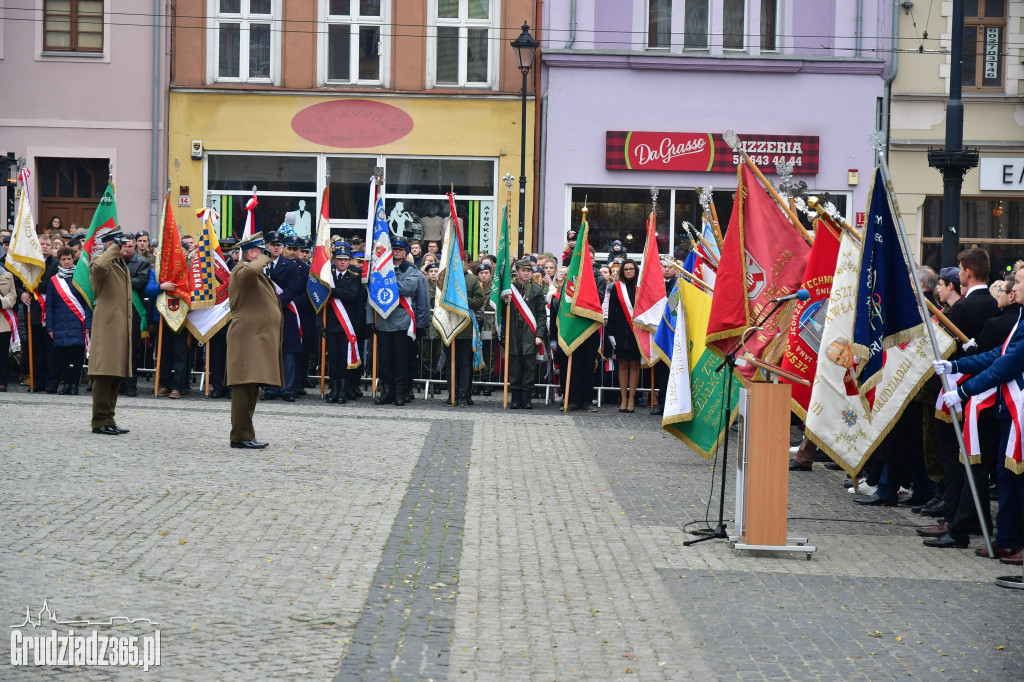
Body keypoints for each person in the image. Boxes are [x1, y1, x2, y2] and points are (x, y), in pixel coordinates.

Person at [934, 262, 1024, 555]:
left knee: (1012, 479)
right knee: (1006, 474)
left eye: (1019, 282)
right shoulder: (1019, 318)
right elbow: (998, 354)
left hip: (1015, 411)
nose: (1013, 286)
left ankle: (1011, 541)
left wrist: (962, 390)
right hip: (1007, 412)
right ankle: (1008, 540)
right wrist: (957, 365)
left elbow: (1003, 367)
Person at [918, 248, 999, 544]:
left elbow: (950, 348)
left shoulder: (964, 308)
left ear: (967, 271)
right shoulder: (993, 304)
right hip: (984, 393)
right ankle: (977, 518)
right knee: (975, 462)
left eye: (961, 269)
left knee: (954, 459)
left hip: (959, 388)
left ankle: (952, 518)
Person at [226, 233, 282, 449]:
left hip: (253, 338)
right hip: (246, 337)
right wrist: (265, 257)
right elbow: (251, 269)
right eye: (261, 250)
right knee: (243, 388)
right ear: (251, 252)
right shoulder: (242, 270)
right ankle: (240, 436)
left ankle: (245, 434)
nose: (266, 255)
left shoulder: (253, 273)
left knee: (251, 388)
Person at [369, 237, 424, 406]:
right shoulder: (379, 270)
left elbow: (409, 288)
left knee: (401, 360)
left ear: (406, 252)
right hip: (384, 321)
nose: (397, 251)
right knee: (385, 361)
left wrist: (385, 284)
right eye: (394, 248)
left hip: (402, 322)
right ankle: (387, 392)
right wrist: (371, 321)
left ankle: (400, 393)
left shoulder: (412, 270)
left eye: (401, 249)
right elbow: (371, 297)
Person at [88, 231, 133, 436]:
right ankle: (99, 421)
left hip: (119, 325)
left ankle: (109, 418)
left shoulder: (120, 265)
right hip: (107, 326)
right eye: (120, 243)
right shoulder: (100, 263)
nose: (125, 246)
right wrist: (113, 248)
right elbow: (98, 267)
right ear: (111, 245)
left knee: (116, 374)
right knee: (104, 374)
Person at [262, 231, 302, 402]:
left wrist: (276, 302)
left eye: (279, 245)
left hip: (285, 312)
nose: (276, 248)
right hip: (264, 314)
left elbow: (294, 288)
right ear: (268, 246)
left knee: (287, 353)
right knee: (269, 351)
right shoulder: (261, 264)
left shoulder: (290, 265)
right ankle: (271, 387)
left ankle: (287, 388)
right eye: (273, 245)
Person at [46, 246, 91, 395]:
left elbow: (87, 303)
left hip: (78, 323)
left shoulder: (80, 279)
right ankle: (66, 385)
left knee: (77, 357)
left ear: (73, 260)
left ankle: (75, 385)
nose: (66, 262)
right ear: (59, 260)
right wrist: (50, 327)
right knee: (63, 358)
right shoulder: (54, 281)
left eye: (69, 259)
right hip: (59, 324)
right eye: (63, 259)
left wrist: (88, 324)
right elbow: (50, 305)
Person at [504, 259, 547, 409]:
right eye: (523, 270)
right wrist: (505, 301)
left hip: (530, 333)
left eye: (529, 271)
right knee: (514, 367)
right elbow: (501, 314)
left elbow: (541, 314)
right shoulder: (508, 290)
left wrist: (540, 335)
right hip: (514, 332)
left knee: (529, 367)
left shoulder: (536, 290)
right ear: (517, 272)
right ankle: (515, 398)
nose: (526, 273)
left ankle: (526, 398)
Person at [321, 245, 360, 403]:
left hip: (347, 325)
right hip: (330, 323)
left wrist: (329, 290)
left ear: (350, 261)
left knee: (344, 359)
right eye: (339, 259)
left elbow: (351, 295)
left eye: (345, 260)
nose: (342, 263)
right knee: (334, 359)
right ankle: (334, 389)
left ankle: (343, 390)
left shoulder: (354, 275)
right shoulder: (326, 275)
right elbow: (319, 303)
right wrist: (319, 324)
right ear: (334, 260)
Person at [607, 258, 642, 412]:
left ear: (636, 271)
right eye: (626, 269)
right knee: (622, 365)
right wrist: (611, 333)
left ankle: (632, 400)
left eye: (631, 269)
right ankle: (623, 399)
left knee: (634, 365)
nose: (628, 271)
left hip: (636, 331)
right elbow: (611, 310)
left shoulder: (641, 288)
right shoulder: (616, 287)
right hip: (620, 331)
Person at [121, 233, 152, 397]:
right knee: (117, 350)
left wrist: (121, 279)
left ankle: (130, 386)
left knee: (132, 350)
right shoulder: (115, 261)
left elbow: (141, 283)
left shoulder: (142, 262)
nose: (127, 248)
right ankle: (117, 384)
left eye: (130, 246)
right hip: (116, 311)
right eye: (124, 245)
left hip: (133, 311)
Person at [0, 261, 16, 392]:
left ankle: (2, 381)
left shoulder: (7, 275)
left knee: (2, 353)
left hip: (3, 321)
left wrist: (1, 302)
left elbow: (13, 295)